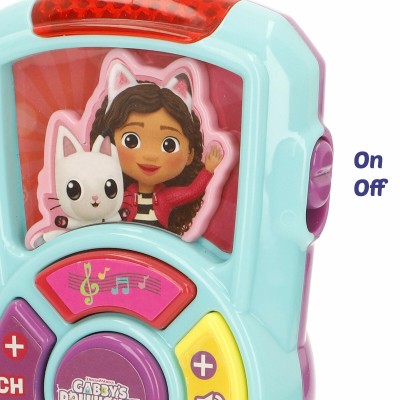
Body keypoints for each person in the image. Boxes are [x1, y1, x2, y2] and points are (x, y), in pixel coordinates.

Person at [90, 64, 223, 236]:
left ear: (190, 154)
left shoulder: (166, 198)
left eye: (169, 145)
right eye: (131, 141)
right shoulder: (121, 196)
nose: (150, 155)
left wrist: (208, 170)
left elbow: (191, 192)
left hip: (159, 247)